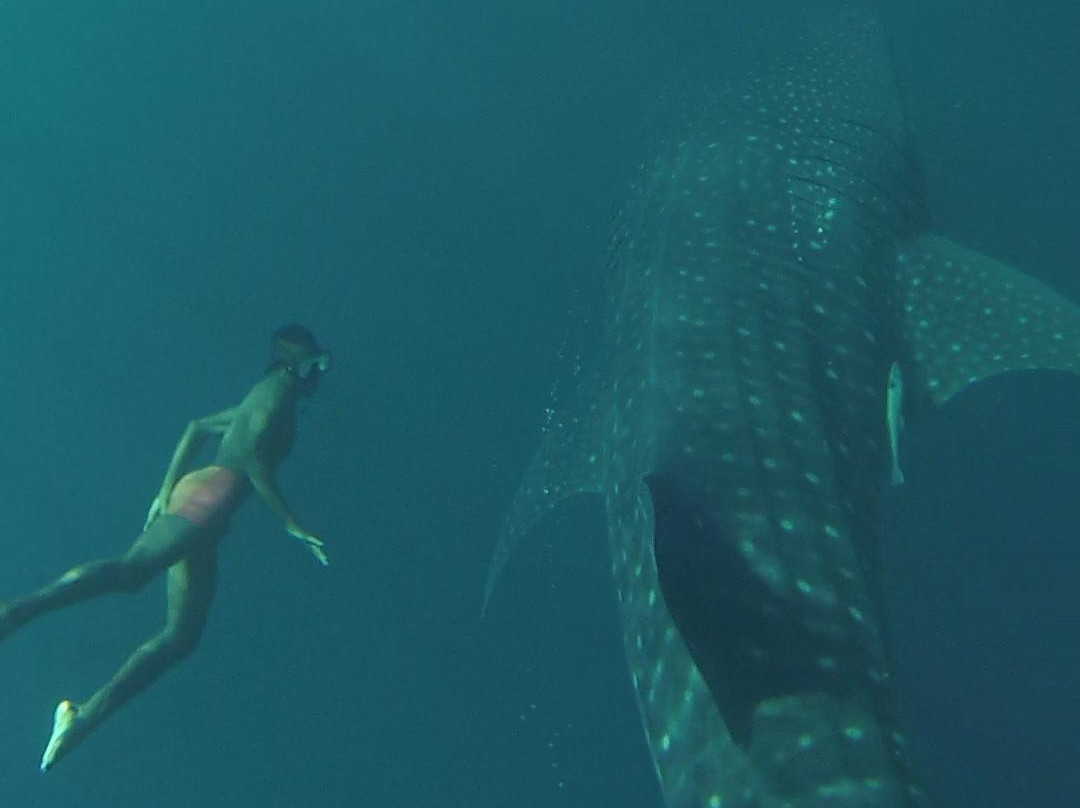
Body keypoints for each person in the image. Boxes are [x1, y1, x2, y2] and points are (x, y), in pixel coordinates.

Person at [0, 324, 332, 772]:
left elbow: (199, 426)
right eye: (319, 364)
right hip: (210, 498)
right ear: (299, 363)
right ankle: (13, 612)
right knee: (133, 571)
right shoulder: (276, 392)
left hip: (209, 508)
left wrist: (164, 488)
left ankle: (83, 716)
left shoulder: (271, 393)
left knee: (183, 635)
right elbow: (252, 456)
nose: (321, 374)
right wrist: (291, 522)